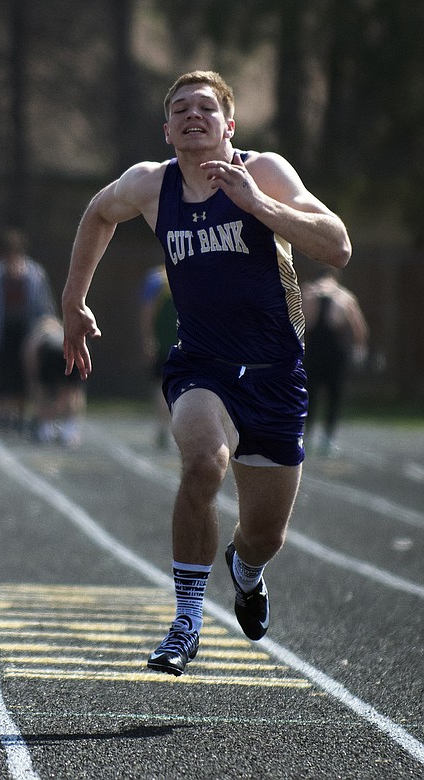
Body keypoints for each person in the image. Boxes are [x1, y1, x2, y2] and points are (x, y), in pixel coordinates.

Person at [61, 71, 351, 676]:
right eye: (181, 110)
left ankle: (245, 570)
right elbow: (97, 213)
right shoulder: (151, 184)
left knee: (263, 535)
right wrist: (73, 303)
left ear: (229, 126)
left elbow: (338, 245)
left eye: (207, 109)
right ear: (167, 130)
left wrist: (259, 205)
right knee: (202, 462)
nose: (194, 117)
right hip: (201, 366)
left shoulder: (264, 171)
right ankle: (187, 620)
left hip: (276, 375)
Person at [0, 229, 55, 433]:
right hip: (2, 331)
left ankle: (20, 415)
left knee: (24, 374)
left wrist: (44, 332)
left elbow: (44, 305)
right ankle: (3, 414)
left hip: (26, 332)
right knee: (4, 373)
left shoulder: (35, 274)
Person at [300, 267, 368, 456]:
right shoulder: (344, 296)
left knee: (310, 392)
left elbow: (299, 322)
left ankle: (309, 433)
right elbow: (359, 326)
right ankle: (327, 437)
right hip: (335, 352)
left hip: (314, 350)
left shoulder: (309, 293)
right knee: (333, 394)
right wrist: (359, 349)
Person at [23, 314, 85, 447]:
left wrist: (34, 380)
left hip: (50, 351)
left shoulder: (39, 335)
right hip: (70, 350)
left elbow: (31, 354)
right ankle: (69, 429)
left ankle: (46, 428)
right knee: (72, 391)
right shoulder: (66, 330)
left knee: (43, 391)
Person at [139, 264, 177, 448]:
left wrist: (148, 339)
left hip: (163, 344)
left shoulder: (156, 279)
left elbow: (147, 312)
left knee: (161, 386)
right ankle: (172, 429)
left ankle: (164, 428)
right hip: (186, 343)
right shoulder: (189, 271)